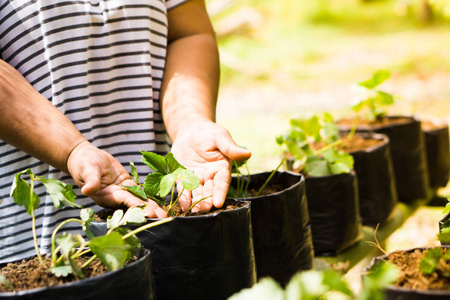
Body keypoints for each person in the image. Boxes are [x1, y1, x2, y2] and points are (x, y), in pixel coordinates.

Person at [0, 0, 251, 263]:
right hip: (37, 239)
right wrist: (72, 150)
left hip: (163, 223)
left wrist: (190, 121)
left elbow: (189, 33)